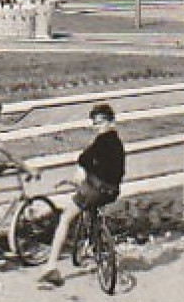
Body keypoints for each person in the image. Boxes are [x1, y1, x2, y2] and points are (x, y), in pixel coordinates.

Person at [39, 103, 126, 288]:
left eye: (102, 122)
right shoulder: (117, 143)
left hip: (94, 190)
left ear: (111, 122)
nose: (99, 126)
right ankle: (96, 240)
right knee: (92, 204)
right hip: (112, 191)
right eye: (96, 123)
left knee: (65, 218)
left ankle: (51, 266)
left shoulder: (101, 142)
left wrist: (79, 172)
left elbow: (84, 159)